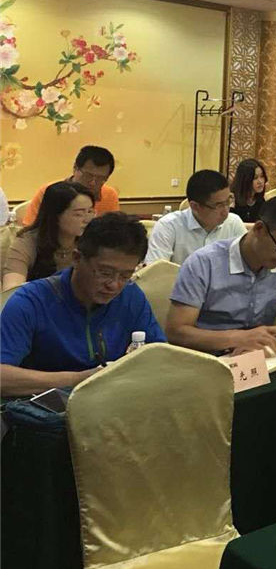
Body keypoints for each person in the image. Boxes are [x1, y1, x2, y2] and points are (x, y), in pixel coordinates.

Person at [0, 213, 165, 397]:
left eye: (125, 276)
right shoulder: (32, 300)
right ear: (77, 258)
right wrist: (79, 379)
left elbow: (159, 357)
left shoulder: (130, 296)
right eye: (105, 273)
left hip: (115, 401)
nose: (114, 285)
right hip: (46, 408)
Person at [164, 196, 276, 355]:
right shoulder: (203, 263)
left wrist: (267, 336)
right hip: (208, 357)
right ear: (259, 229)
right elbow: (176, 331)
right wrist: (237, 338)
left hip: (257, 355)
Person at [3, 182, 95, 290]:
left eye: (90, 211)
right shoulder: (27, 242)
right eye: (79, 214)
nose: (87, 219)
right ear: (56, 215)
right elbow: (12, 289)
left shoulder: (93, 241)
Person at [144, 170, 246, 265]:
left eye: (228, 202)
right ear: (195, 206)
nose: (225, 211)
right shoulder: (168, 226)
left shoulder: (233, 223)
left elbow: (247, 265)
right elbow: (156, 272)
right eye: (219, 206)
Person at [22, 145, 119, 225]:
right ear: (75, 168)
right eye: (88, 175)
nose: (93, 182)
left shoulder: (109, 195)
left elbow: (114, 229)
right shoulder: (50, 191)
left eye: (101, 178)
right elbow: (30, 229)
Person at [229, 158, 268, 224]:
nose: (260, 181)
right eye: (255, 178)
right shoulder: (232, 197)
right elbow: (230, 224)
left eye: (262, 176)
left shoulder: (260, 200)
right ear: (245, 179)